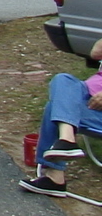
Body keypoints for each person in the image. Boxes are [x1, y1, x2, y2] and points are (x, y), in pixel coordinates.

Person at [19, 37, 102, 197]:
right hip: (88, 97)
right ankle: (67, 139)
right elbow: (96, 53)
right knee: (63, 79)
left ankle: (55, 175)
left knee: (56, 107)